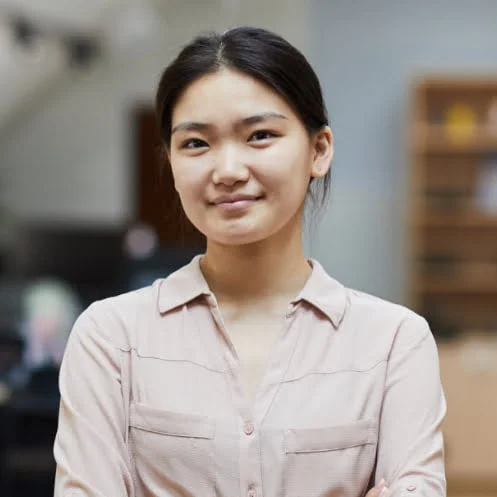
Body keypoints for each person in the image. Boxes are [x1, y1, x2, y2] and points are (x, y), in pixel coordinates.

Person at [53, 26, 446, 497]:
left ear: (319, 150)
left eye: (259, 136)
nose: (228, 171)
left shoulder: (394, 343)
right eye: (196, 143)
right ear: (172, 161)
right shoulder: (111, 338)